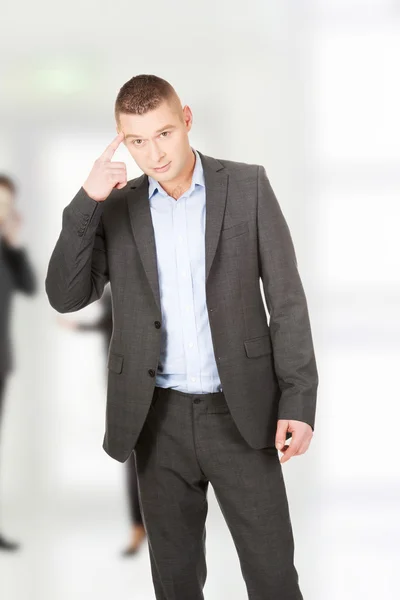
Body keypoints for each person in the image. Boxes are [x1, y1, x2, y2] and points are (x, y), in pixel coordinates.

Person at [45, 74, 319, 599]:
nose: (154, 153)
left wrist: (300, 399)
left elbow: (286, 300)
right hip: (157, 418)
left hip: (242, 413)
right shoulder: (116, 205)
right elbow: (65, 295)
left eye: (164, 133)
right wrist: (86, 200)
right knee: (174, 582)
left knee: (273, 576)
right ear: (122, 140)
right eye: (137, 141)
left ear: (186, 119)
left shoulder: (247, 186)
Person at [57, 284, 146, 556]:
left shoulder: (124, 291)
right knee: (133, 458)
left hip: (147, 380)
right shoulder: (111, 293)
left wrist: (76, 327)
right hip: (123, 385)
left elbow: (105, 320)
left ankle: (143, 527)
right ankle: (138, 527)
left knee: (146, 458)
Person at [0, 174, 36, 552]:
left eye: (7, 205)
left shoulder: (6, 249)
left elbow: (28, 286)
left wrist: (13, 243)